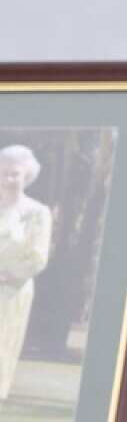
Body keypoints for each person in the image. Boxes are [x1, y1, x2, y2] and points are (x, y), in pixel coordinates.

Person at [0, 145, 53, 402]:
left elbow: (38, 256)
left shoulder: (38, 212)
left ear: (27, 175)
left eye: (15, 174)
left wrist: (7, 275)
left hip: (11, 292)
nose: (9, 179)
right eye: (4, 173)